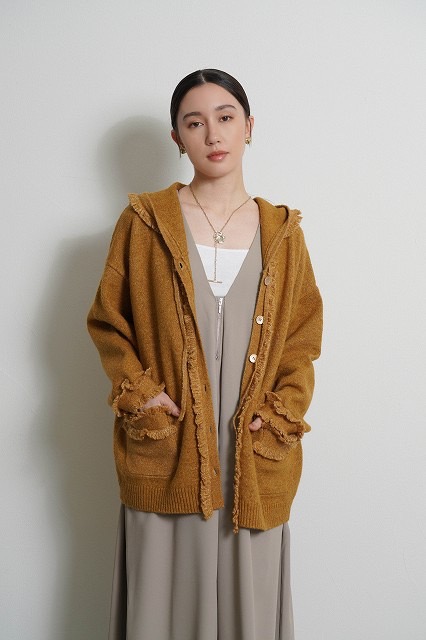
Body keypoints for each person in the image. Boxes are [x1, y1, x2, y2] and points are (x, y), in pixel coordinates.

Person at [87, 68, 323, 640]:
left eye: (225, 117)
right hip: (167, 453)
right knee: (160, 613)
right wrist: (143, 397)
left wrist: (282, 410)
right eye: (194, 123)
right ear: (177, 138)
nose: (213, 134)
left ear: (249, 127)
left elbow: (302, 338)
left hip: (253, 462)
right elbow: (108, 324)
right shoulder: (144, 222)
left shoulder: (283, 233)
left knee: (250, 616)